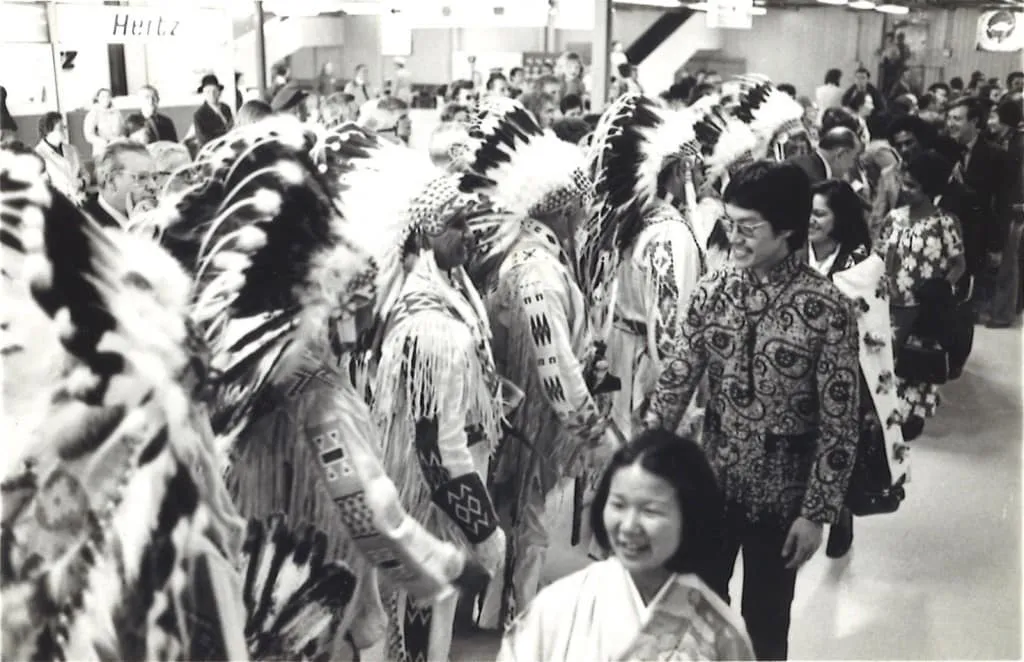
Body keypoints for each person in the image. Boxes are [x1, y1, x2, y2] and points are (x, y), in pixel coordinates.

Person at [641, 161, 860, 661]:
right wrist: (642, 466)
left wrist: (816, 513)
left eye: (748, 228)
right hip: (712, 484)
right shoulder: (714, 290)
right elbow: (675, 381)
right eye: (730, 224)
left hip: (783, 500)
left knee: (765, 625)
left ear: (787, 229)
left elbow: (839, 422)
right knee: (695, 613)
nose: (734, 238)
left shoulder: (827, 308)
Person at [459, 100, 612, 629]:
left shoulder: (533, 255)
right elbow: (556, 367)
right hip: (528, 419)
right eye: (582, 210)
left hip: (526, 413)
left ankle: (502, 608)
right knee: (524, 517)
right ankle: (516, 619)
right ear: (563, 212)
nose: (587, 219)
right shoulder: (537, 270)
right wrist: (596, 437)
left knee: (520, 512)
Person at [497, 431, 755, 661]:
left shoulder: (722, 635)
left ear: (690, 517)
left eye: (650, 511)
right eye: (619, 505)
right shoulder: (556, 606)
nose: (629, 525)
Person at [807, 180, 911, 557]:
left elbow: (875, 332)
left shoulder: (866, 267)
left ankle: (842, 517)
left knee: (839, 449)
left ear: (841, 218)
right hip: (799, 371)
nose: (810, 220)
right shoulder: (792, 255)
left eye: (819, 213)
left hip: (847, 373)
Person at [877, 150, 966, 436]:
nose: (905, 190)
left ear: (930, 189)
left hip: (925, 308)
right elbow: (878, 254)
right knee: (888, 358)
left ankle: (910, 416)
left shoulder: (945, 223)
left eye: (913, 186)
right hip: (891, 304)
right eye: (904, 183)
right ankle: (886, 411)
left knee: (916, 363)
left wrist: (943, 289)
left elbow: (958, 264)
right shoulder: (893, 218)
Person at [944, 96, 1009, 312]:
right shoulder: (943, 148)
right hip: (943, 236)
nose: (950, 123)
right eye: (949, 118)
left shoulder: (996, 155)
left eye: (957, 119)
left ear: (974, 122)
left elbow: (1001, 203)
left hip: (975, 236)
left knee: (966, 300)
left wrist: (996, 245)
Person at [986, 98, 1024, 327]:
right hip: (1009, 208)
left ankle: (1003, 314)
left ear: (1006, 121)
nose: (989, 122)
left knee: (1009, 265)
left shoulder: (1017, 146)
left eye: (993, 117)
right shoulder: (1008, 141)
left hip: (1013, 210)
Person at [84, 140, 159, 229]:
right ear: (111, 181)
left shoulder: (160, 219)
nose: (153, 186)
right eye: (142, 177)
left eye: (154, 178)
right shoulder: (86, 227)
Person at [33, 111, 84, 202]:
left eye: (64, 127)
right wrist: (68, 191)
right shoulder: (38, 154)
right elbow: (43, 188)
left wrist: (81, 183)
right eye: (61, 128)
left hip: (80, 198)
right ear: (48, 131)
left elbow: (85, 174)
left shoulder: (72, 149)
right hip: (58, 203)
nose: (65, 130)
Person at [786, 126, 862, 184]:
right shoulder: (815, 181)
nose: (851, 165)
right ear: (841, 154)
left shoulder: (804, 163)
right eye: (853, 159)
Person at [192, 74, 234, 147]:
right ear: (203, 93)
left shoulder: (226, 108)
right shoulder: (199, 115)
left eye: (215, 91)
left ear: (219, 92)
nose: (212, 94)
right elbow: (204, 141)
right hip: (213, 152)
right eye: (208, 91)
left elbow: (232, 127)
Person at [82, 87, 126, 157]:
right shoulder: (93, 114)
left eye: (108, 96)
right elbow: (89, 135)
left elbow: (123, 128)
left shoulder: (117, 113)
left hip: (117, 149)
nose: (106, 99)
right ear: (98, 98)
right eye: (103, 97)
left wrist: (121, 139)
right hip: (101, 151)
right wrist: (103, 142)